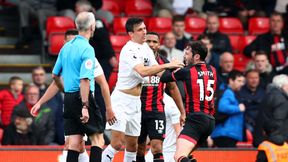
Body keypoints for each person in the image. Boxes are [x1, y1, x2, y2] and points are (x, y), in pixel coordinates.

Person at [31, 12, 116, 162]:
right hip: (83, 97)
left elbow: (55, 76)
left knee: (74, 143)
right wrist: (84, 105)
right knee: (98, 140)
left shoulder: (66, 48)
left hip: (69, 99)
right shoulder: (87, 49)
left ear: (77, 26)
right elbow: (84, 79)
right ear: (92, 26)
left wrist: (40, 102)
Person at [101, 17, 184, 162]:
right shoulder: (128, 49)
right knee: (117, 143)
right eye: (140, 29)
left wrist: (182, 72)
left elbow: (157, 72)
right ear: (131, 33)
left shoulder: (145, 48)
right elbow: (143, 71)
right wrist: (168, 65)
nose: (144, 32)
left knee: (133, 146)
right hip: (122, 100)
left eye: (145, 28)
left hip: (135, 102)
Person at [160, 41, 217, 162]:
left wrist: (172, 65)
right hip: (210, 121)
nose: (185, 56)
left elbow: (164, 78)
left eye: (187, 53)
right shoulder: (213, 70)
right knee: (186, 156)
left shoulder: (187, 71)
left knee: (178, 156)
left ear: (196, 56)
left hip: (195, 119)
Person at [136, 32, 185, 162]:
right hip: (137, 110)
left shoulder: (164, 62)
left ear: (159, 44)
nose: (151, 44)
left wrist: (182, 112)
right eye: (148, 41)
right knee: (139, 148)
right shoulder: (136, 60)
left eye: (155, 42)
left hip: (156, 110)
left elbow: (173, 88)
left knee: (157, 148)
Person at [255, 74, 288, 162]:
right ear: (283, 86)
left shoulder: (269, 94)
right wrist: (280, 141)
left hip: (265, 138)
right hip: (276, 141)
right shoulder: (281, 100)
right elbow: (279, 122)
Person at [211, 70, 246, 148]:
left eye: (243, 81)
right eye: (239, 81)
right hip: (226, 133)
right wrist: (238, 108)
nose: (241, 84)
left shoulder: (229, 91)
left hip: (225, 133)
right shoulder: (228, 92)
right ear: (231, 80)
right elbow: (223, 107)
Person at [31, 66, 64, 145]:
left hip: (55, 131)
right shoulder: (29, 93)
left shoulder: (55, 93)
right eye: (36, 75)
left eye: (41, 74)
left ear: (45, 76)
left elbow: (60, 114)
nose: (39, 77)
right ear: (32, 77)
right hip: (36, 135)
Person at [145, 93, 182, 162]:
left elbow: (179, 133)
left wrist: (179, 154)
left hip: (169, 153)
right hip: (154, 151)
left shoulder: (170, 104)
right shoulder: (151, 101)